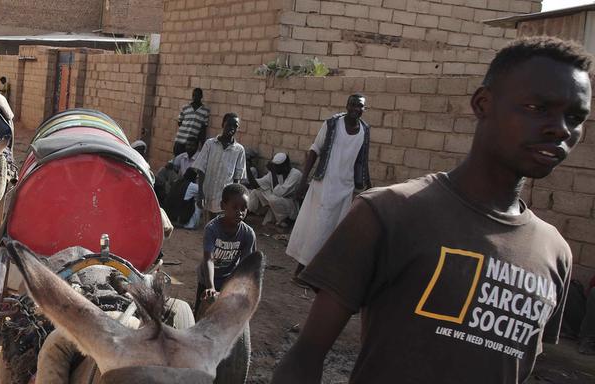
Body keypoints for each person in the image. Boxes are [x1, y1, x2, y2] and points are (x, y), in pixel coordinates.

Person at [271, 36, 591, 384]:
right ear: (483, 103)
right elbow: (303, 358)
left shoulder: (554, 253)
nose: (560, 129)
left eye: (574, 117)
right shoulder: (388, 213)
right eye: (537, 107)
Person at [286, 93, 371, 280]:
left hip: (345, 188)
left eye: (361, 106)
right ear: (347, 105)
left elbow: (361, 161)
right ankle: (300, 272)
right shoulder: (332, 124)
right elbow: (314, 150)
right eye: (353, 105)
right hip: (325, 184)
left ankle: (319, 273)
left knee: (334, 230)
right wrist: (303, 181)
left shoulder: (365, 130)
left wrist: (364, 186)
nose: (357, 109)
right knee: (318, 227)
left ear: (365, 110)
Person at [196, 183, 256, 383]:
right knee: (203, 315)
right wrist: (210, 286)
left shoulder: (248, 234)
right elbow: (209, 259)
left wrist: (236, 289)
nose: (239, 212)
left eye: (243, 208)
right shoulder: (212, 229)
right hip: (208, 277)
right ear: (223, 205)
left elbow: (245, 267)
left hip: (229, 278)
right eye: (235, 207)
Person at [193, 113, 247, 217]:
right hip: (208, 192)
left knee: (221, 227)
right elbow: (201, 168)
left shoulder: (239, 150)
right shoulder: (210, 144)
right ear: (223, 124)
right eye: (229, 125)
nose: (231, 128)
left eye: (235, 126)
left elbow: (237, 178)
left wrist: (234, 200)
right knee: (209, 225)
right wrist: (200, 192)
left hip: (225, 197)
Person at [246, 152, 302, 228]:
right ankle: (247, 212)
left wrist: (273, 172)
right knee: (257, 191)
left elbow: (279, 193)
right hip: (277, 203)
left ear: (285, 166)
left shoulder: (295, 174)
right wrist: (247, 168)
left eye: (276, 167)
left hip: (291, 206)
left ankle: (286, 222)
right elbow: (256, 185)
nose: (275, 169)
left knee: (273, 199)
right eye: (274, 167)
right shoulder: (275, 174)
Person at [174, 88, 210, 156]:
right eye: (193, 95)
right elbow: (180, 122)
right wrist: (187, 128)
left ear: (201, 96)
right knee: (177, 161)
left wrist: (202, 144)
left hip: (191, 144)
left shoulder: (205, 110)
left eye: (197, 95)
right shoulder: (185, 107)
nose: (194, 97)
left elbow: (203, 128)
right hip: (180, 140)